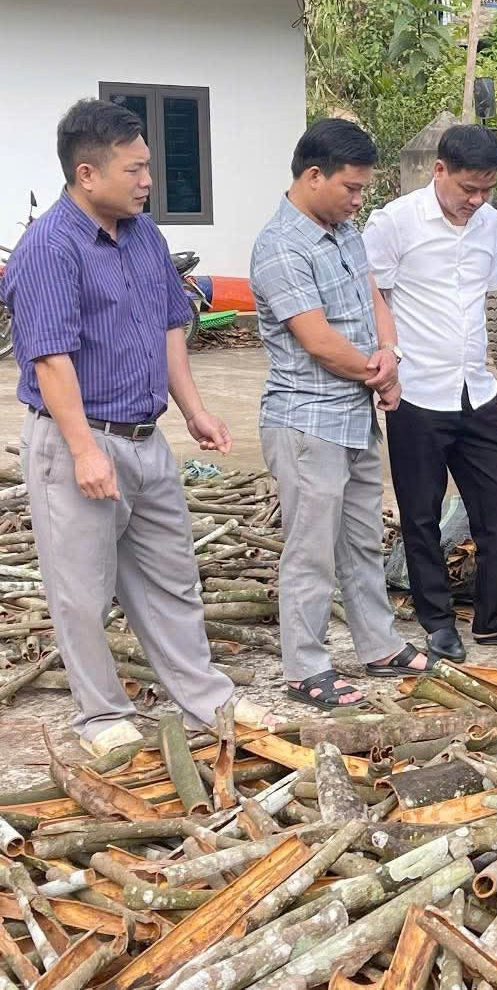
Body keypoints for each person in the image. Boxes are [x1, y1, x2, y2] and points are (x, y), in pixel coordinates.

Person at [1, 99, 274, 756]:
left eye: (148, 165)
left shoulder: (144, 234)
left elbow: (168, 324)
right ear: (87, 174)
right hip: (79, 441)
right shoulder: (50, 248)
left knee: (172, 577)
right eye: (135, 168)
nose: (148, 179)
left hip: (146, 440)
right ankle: (101, 717)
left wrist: (194, 409)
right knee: (82, 590)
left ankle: (207, 699)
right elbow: (50, 357)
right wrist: (82, 450)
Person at [250, 119, 431, 711]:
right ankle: (305, 667)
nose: (359, 200)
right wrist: (377, 372)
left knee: (361, 541)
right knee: (311, 549)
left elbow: (373, 296)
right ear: (312, 176)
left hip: (353, 417)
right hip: (307, 422)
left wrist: (391, 354)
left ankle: (378, 645)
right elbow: (317, 339)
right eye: (351, 188)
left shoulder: (344, 231)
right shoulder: (280, 247)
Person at [363, 124, 497, 662]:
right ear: (439, 171)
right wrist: (388, 358)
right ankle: (438, 623)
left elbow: (479, 299)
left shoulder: (488, 221)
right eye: (467, 188)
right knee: (421, 515)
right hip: (417, 395)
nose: (475, 201)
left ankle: (492, 620)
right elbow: (369, 291)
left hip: (476, 392)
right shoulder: (394, 223)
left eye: (486, 189)